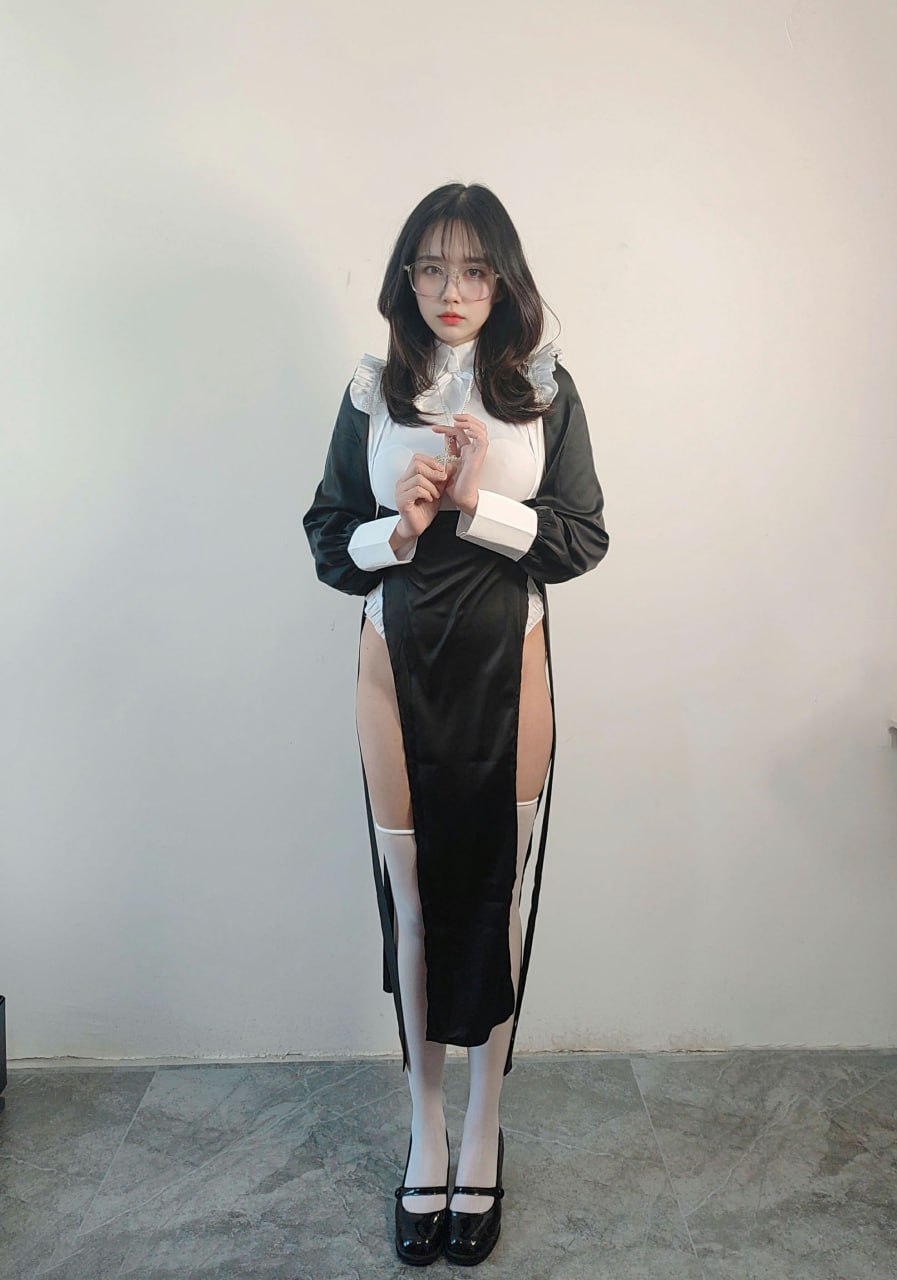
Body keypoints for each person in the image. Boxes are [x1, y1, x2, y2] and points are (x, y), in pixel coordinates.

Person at [303, 182, 609, 1266]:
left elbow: (581, 538)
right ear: (405, 277)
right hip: (394, 665)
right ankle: (425, 1130)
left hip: (507, 666)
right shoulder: (372, 391)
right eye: (431, 266)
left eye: (474, 268)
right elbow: (330, 539)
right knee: (414, 900)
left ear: (503, 279)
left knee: (495, 895)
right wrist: (403, 525)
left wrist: (479, 505)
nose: (452, 289)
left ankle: (485, 1126)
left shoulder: (542, 390)